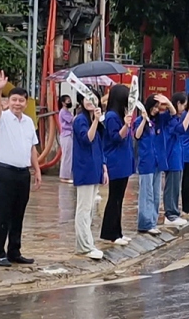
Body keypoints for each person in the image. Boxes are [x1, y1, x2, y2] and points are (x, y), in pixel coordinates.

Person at [0, 69, 41, 267]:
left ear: (26, 103)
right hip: (5, 172)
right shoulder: (1, 118)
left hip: (22, 173)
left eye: (21, 100)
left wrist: (36, 170)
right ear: (8, 101)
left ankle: (14, 251)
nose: (18, 103)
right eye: (14, 100)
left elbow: (32, 147)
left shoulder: (28, 122)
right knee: (2, 213)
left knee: (19, 213)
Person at [71, 94, 106, 259]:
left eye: (93, 99)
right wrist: (95, 121)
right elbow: (87, 139)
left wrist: (104, 168)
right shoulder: (80, 120)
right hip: (84, 169)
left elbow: (100, 146)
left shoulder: (97, 121)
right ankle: (84, 246)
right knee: (83, 208)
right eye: (86, 98)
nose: (90, 102)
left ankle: (88, 243)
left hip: (95, 168)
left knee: (90, 208)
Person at [100, 85, 136, 245]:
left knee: (119, 199)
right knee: (114, 198)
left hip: (124, 160)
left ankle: (118, 231)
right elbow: (116, 137)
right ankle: (110, 233)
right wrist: (126, 125)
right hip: (115, 161)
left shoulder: (121, 115)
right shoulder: (111, 116)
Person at [137, 94, 173, 234]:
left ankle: (153, 221)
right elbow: (137, 135)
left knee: (156, 193)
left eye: (158, 107)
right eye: (154, 106)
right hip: (146, 162)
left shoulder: (160, 121)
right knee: (147, 194)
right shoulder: (140, 120)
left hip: (158, 162)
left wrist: (167, 102)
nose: (156, 110)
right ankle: (145, 224)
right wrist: (144, 119)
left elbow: (173, 113)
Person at [163, 93, 189, 227]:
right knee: (171, 185)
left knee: (175, 185)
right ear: (178, 104)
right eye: (183, 105)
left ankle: (174, 211)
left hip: (177, 155)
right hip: (172, 155)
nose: (184, 109)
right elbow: (181, 130)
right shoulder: (170, 118)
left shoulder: (176, 117)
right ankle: (170, 213)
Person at [58, 95, 74, 184]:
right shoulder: (63, 112)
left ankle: (67, 175)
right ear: (63, 103)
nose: (69, 102)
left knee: (69, 156)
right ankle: (64, 176)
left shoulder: (67, 111)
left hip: (69, 135)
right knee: (66, 156)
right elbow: (71, 120)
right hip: (66, 135)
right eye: (68, 100)